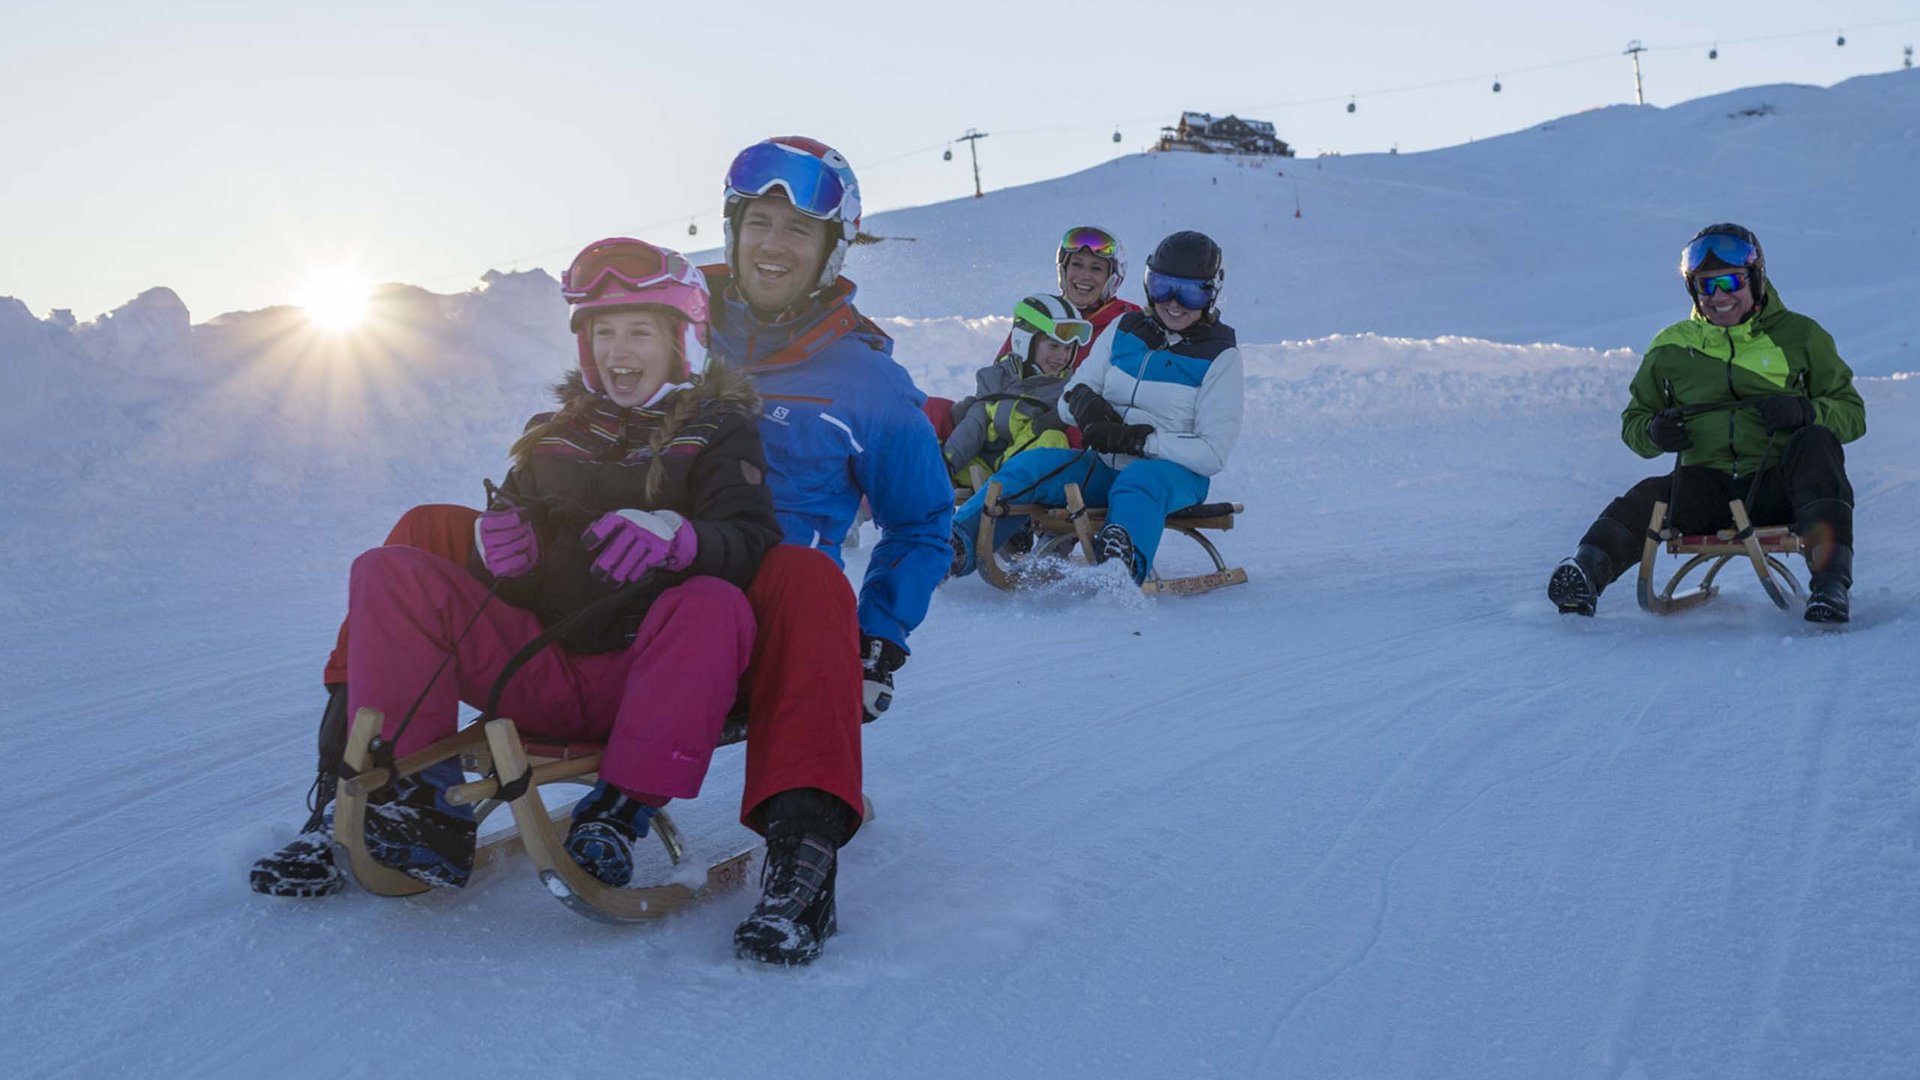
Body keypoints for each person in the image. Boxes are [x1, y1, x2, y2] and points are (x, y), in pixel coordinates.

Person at [252, 138, 952, 967]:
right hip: (609, 584)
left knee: (803, 577)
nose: (773, 244)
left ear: (834, 248)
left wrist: (878, 642)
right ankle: (360, 786)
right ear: (730, 229)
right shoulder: (673, 311)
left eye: (799, 229)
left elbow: (921, 523)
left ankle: (803, 855)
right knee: (426, 530)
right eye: (758, 222)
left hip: (751, 607)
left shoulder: (867, 384)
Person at [329, 238, 779, 890]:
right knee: (385, 569)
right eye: (603, 333)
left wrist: (683, 539)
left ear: (682, 340)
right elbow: (505, 560)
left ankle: (616, 813)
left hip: (645, 680)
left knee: (714, 604)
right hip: (538, 670)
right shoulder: (552, 435)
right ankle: (419, 802)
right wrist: (495, 556)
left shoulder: (721, 431)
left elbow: (753, 539)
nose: (618, 350)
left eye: (639, 332)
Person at [1547, 223, 1865, 622]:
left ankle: (1831, 586)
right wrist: (1654, 432)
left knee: (1816, 443)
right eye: (1705, 286)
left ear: (1756, 279)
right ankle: (1584, 572)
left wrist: (1806, 412)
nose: (1719, 296)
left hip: (1780, 486)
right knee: (1650, 496)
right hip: (1706, 487)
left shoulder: (1801, 337)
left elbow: (1852, 414)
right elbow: (1635, 422)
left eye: (1731, 282)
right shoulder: (1671, 347)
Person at [948, 231, 1244, 585]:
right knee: (1032, 464)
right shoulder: (1125, 329)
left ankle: (1121, 563)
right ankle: (954, 545)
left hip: (1172, 476)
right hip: (1104, 465)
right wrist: (1087, 410)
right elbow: (1071, 394)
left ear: (1211, 293)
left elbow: (1212, 454)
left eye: (1191, 292)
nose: (1174, 303)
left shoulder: (1220, 357)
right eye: (1162, 287)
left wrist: (1142, 442)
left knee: (1140, 479)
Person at [922, 226, 1141, 441]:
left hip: (1068, 430)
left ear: (1113, 278)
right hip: (1013, 414)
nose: (1084, 276)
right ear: (1063, 270)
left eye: (1096, 268)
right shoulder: (1041, 314)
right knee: (928, 411)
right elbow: (1004, 371)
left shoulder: (1127, 325)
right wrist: (979, 408)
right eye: (1077, 264)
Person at [941, 293, 1090, 486]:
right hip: (983, 468)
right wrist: (947, 464)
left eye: (1069, 349)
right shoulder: (995, 377)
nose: (1062, 356)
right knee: (934, 429)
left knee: (1053, 438)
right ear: (1025, 341)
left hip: (1024, 477)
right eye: (1054, 346)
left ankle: (1006, 487)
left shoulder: (1067, 390)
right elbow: (974, 425)